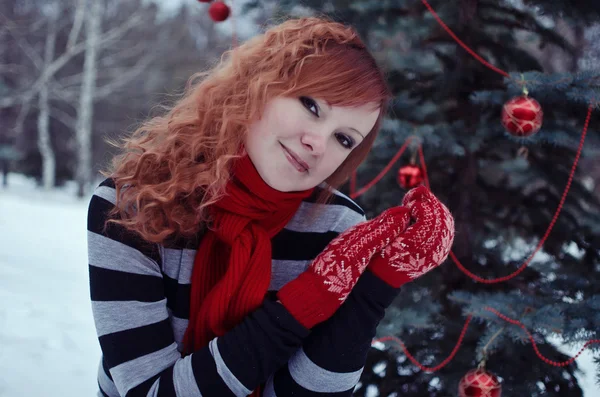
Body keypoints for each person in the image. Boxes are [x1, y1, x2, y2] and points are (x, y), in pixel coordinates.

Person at [87, 16, 455, 397]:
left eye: (344, 139)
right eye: (311, 105)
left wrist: (378, 284)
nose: (318, 144)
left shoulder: (336, 226)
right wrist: (305, 302)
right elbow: (148, 391)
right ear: (258, 87)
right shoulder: (133, 204)